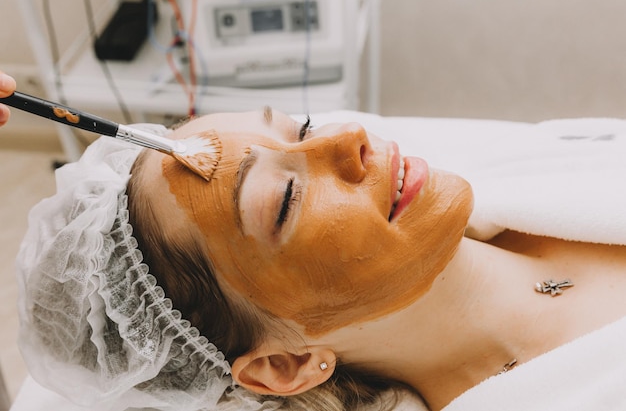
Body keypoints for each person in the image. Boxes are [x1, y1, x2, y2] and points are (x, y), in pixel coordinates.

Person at [13, 101, 626, 410]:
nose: (349, 138)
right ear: (286, 366)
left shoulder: (531, 174)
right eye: (284, 200)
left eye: (301, 129)